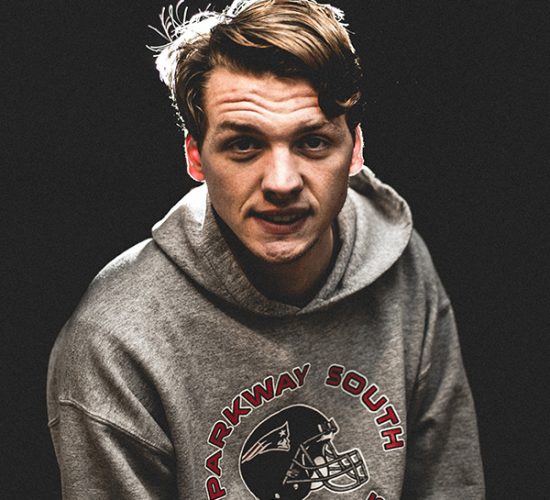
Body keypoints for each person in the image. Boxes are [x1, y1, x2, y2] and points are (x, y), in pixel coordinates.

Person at [47, 0, 485, 498]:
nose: (281, 182)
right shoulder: (116, 339)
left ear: (356, 149)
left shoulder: (401, 264)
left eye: (313, 142)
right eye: (244, 145)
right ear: (196, 156)